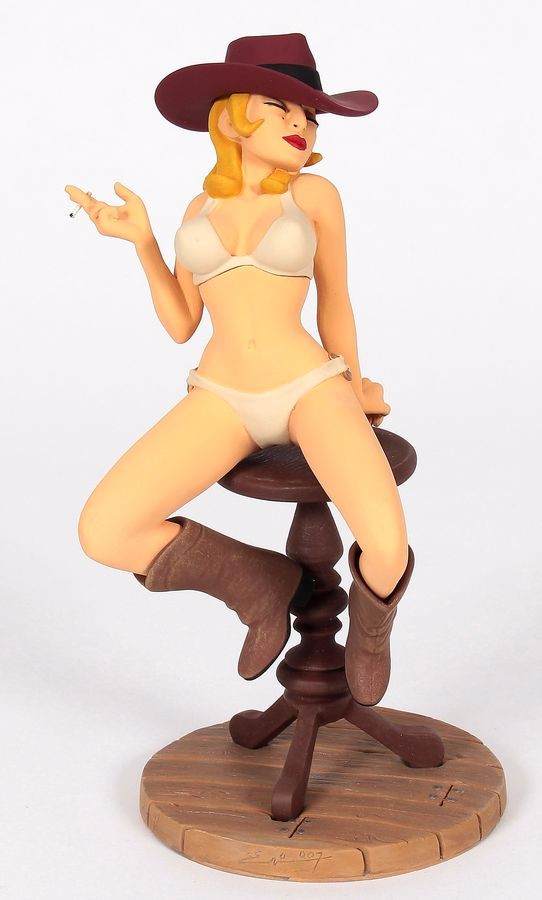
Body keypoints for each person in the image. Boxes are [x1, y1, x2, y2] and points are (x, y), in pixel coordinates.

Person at [65, 33, 414, 705]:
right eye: (281, 107)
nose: (301, 124)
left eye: (310, 116)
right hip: (221, 395)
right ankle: (260, 585)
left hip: (310, 386)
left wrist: (356, 384)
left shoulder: (315, 195)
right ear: (229, 119)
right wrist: (142, 242)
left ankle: (370, 634)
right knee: (104, 530)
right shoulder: (198, 209)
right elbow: (181, 324)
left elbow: (336, 302)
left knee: (388, 546)